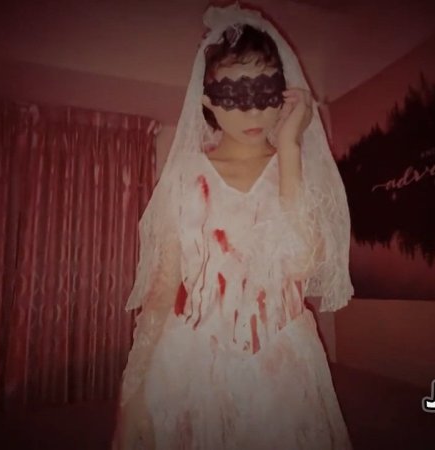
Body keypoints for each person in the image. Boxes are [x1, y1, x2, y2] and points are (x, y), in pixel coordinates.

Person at [112, 3, 354, 449]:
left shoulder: (294, 171)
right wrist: (133, 396)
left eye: (265, 92)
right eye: (234, 94)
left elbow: (302, 264)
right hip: (192, 364)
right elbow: (162, 289)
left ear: (284, 94)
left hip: (283, 367)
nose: (253, 111)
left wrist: (289, 149)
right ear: (207, 100)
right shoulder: (186, 178)